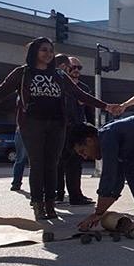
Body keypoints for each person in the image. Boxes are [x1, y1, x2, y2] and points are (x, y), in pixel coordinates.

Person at [0, 37, 121, 220]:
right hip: (32, 124)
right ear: (34, 52)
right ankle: (37, 204)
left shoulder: (59, 75)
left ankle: (50, 204)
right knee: (37, 164)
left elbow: (79, 94)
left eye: (51, 50)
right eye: (44, 50)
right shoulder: (23, 73)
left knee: (52, 165)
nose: (48, 54)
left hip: (57, 125)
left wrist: (106, 106)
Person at [54, 55, 94, 205]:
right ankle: (57, 195)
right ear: (65, 67)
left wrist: (91, 129)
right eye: (73, 67)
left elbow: (89, 110)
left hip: (77, 132)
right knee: (57, 164)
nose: (76, 70)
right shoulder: (59, 86)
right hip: (60, 131)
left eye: (79, 68)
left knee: (75, 164)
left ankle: (76, 196)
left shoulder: (84, 88)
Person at [10, 127, 29, 192]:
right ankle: (40, 187)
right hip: (30, 129)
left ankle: (16, 183)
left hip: (22, 129)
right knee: (37, 160)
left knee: (20, 159)